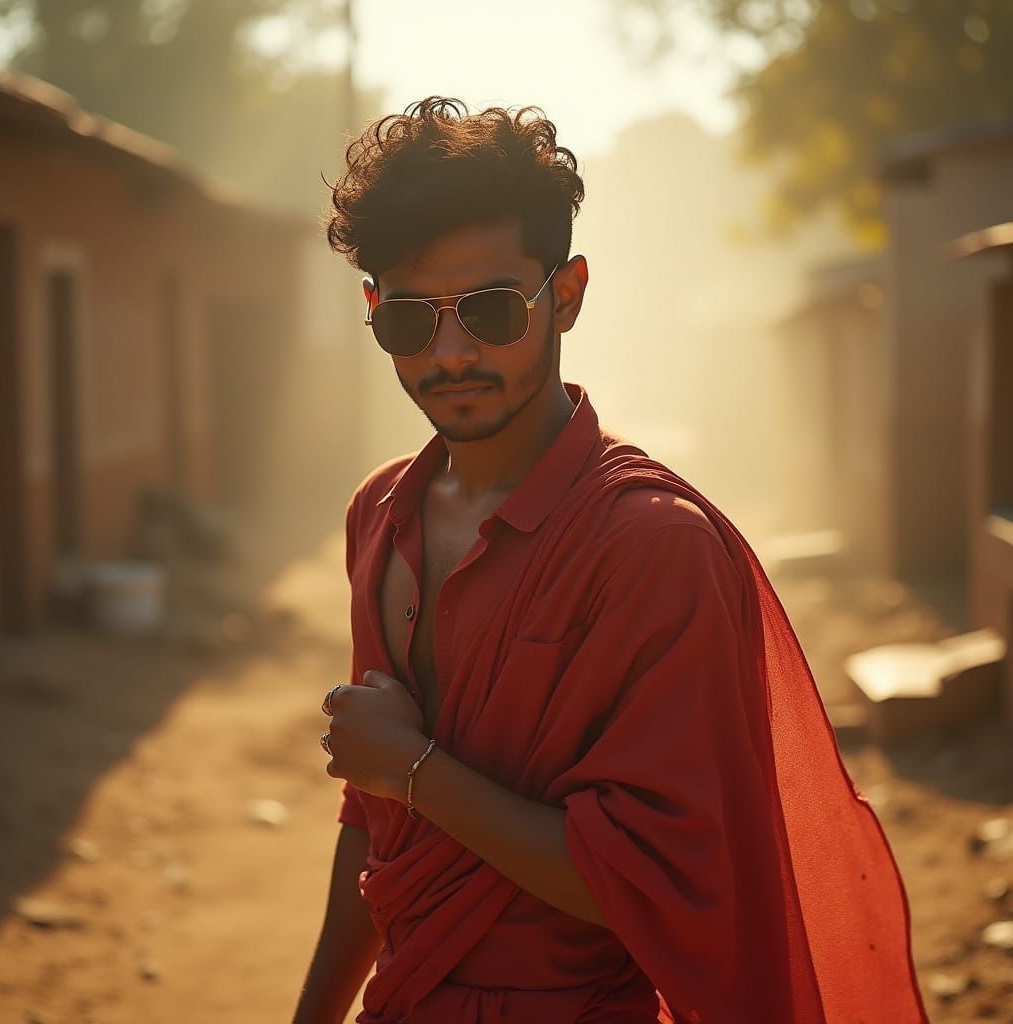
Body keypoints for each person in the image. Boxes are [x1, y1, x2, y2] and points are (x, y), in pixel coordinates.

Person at [292, 97, 926, 1024]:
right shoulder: (379, 515)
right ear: (373, 312)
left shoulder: (652, 547)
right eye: (410, 321)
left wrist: (417, 767)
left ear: (570, 294)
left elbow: (649, 880)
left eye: (492, 309)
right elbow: (375, 819)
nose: (452, 352)